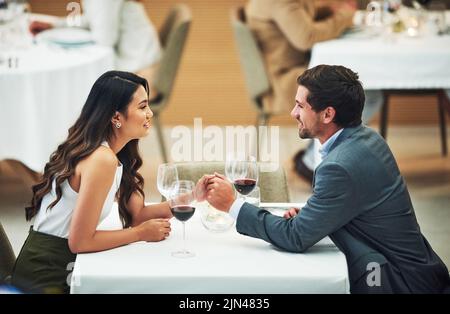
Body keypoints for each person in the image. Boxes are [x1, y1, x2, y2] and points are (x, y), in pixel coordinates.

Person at [203, 65, 450, 293]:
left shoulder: (339, 167)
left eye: (300, 106)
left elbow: (295, 237)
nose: (293, 113)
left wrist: (232, 205)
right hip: (422, 271)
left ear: (328, 114)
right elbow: (355, 207)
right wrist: (315, 216)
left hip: (401, 284)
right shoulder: (368, 139)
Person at [10, 71, 206, 294]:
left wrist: (193, 197)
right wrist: (140, 234)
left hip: (61, 263)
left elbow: (138, 214)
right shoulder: (101, 159)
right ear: (116, 118)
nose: (150, 113)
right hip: (45, 276)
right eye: (142, 107)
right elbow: (81, 242)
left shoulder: (114, 153)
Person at [245, 0, 383, 182]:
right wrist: (346, 16)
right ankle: (313, 163)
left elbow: (300, 17)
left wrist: (328, 11)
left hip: (288, 70)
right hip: (285, 80)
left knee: (352, 82)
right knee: (367, 92)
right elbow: (307, 36)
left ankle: (313, 158)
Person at [29, 0, 161, 81]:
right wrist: (56, 25)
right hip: (142, 57)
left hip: (141, 69)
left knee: (74, 83)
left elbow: (105, 39)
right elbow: (93, 18)